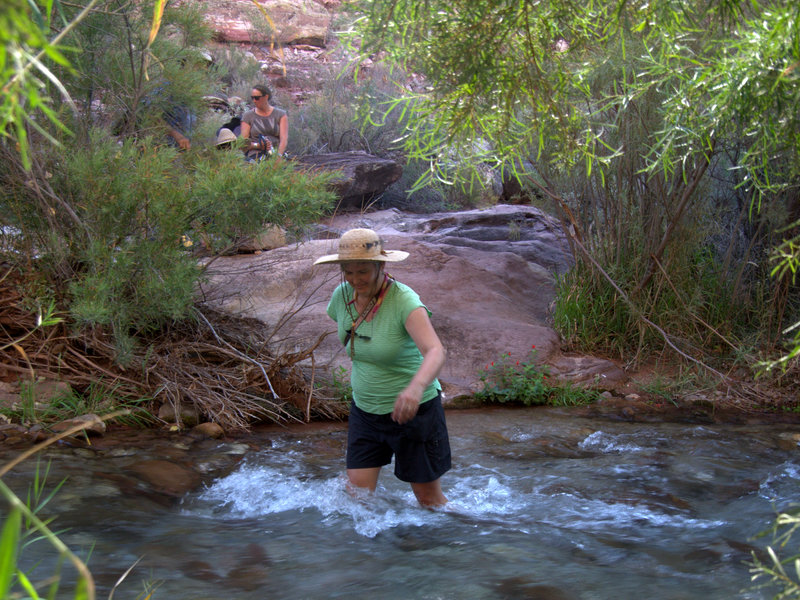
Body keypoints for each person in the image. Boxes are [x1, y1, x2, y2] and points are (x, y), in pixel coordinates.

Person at [314, 228, 450, 507]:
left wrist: (415, 388)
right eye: (348, 272)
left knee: (428, 500)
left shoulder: (404, 301)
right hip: (365, 409)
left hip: (414, 412)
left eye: (362, 271)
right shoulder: (341, 296)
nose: (355, 280)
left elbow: (436, 351)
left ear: (380, 265)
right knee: (358, 497)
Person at [240, 84, 288, 160]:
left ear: (266, 97)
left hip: (276, 152)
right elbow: (243, 143)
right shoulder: (248, 116)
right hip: (256, 154)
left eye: (257, 98)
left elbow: (284, 139)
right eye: (252, 98)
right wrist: (258, 145)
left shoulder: (281, 114)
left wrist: (278, 156)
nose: (254, 101)